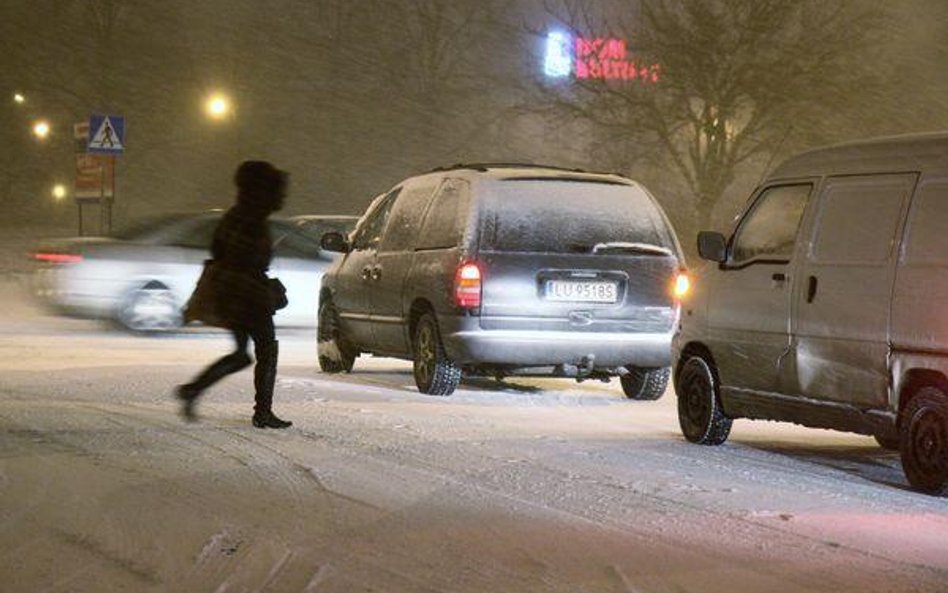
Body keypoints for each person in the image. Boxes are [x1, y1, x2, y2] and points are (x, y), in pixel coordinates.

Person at [176, 160, 292, 429]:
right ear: (264, 190)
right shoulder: (253, 219)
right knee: (267, 348)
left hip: (230, 292)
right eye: (277, 190)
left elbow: (219, 250)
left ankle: (194, 389)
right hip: (248, 296)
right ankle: (263, 412)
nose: (281, 196)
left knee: (242, 353)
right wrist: (266, 284)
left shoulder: (236, 214)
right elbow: (249, 259)